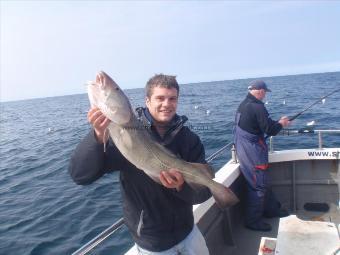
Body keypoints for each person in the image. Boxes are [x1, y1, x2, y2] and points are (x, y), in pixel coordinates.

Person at [69, 74, 211, 254]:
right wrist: (97, 135)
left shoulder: (190, 139)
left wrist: (181, 186)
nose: (166, 104)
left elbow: (204, 193)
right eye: (160, 98)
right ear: (147, 100)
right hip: (153, 244)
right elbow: (80, 175)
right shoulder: (122, 136)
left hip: (189, 233)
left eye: (172, 98)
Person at [233, 80, 291, 232]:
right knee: (258, 186)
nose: (265, 95)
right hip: (253, 153)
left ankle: (271, 210)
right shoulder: (258, 107)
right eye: (265, 92)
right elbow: (270, 130)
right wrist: (282, 124)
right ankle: (252, 221)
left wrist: (276, 122)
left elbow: (261, 124)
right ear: (259, 91)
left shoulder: (243, 104)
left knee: (263, 182)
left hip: (243, 149)